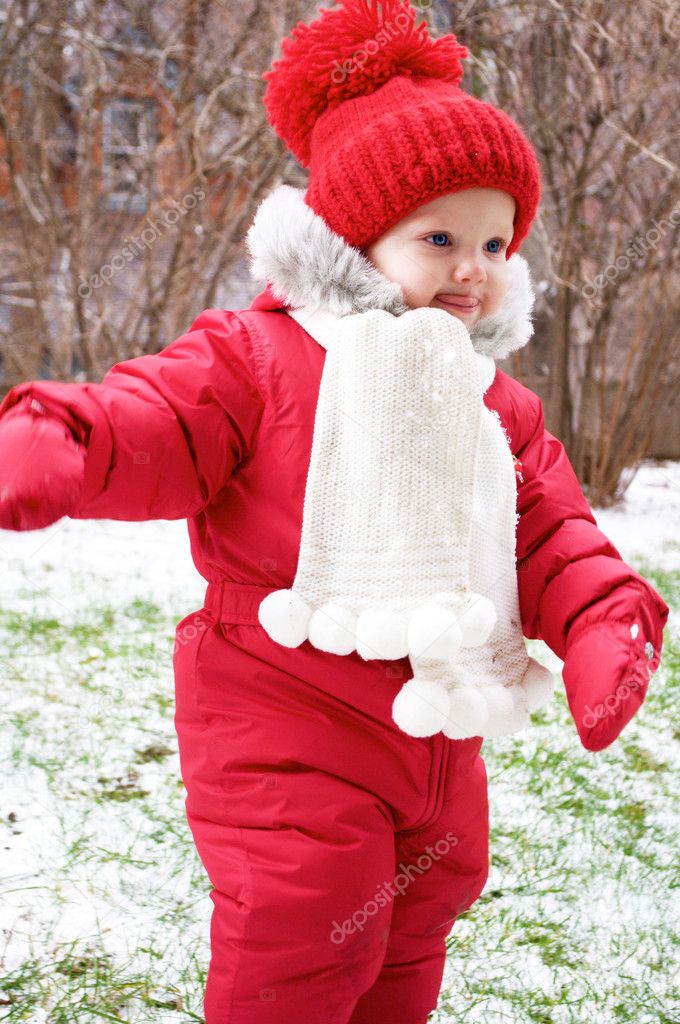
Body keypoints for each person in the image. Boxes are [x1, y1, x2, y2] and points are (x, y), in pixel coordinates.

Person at [0, 2, 668, 1022]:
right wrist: (67, 437)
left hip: (433, 740)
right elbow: (161, 418)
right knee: (305, 926)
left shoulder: (493, 404)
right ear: (355, 239)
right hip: (281, 717)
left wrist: (596, 617)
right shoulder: (260, 359)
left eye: (494, 242)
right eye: (438, 236)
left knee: (413, 924)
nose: (472, 267)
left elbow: (548, 532)